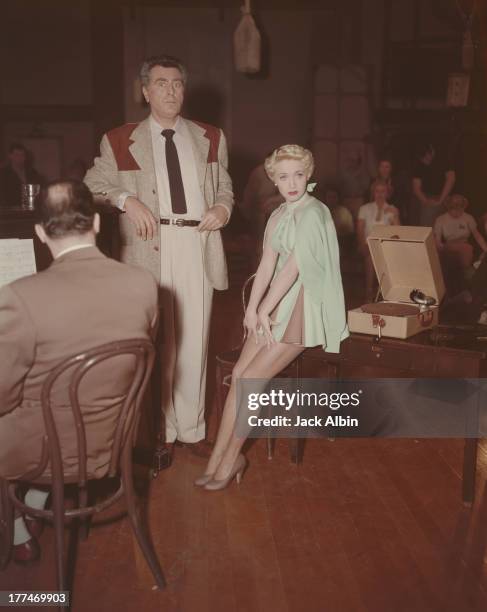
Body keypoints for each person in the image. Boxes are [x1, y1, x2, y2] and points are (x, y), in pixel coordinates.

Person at [84, 55, 234, 462]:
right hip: (147, 245)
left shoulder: (210, 136)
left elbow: (224, 189)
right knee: (154, 343)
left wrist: (222, 209)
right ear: (145, 91)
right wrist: (125, 199)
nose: (170, 91)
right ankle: (157, 433)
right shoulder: (119, 139)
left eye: (177, 84)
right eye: (161, 84)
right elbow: (94, 184)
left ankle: (192, 430)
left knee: (195, 339)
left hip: (196, 242)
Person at [0, 179, 158, 564]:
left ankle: (18, 524)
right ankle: (33, 499)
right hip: (113, 443)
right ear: (98, 225)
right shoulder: (144, 284)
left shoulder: (19, 296)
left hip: (44, 453)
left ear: (39, 233)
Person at [194, 145, 349, 490]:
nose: (291, 183)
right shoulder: (279, 213)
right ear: (273, 180)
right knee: (238, 375)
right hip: (278, 300)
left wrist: (265, 308)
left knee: (251, 381)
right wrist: (251, 309)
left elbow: (294, 268)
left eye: (297, 174)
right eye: (283, 176)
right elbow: (267, 264)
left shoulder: (314, 212)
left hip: (305, 306)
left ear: (309, 175)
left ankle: (233, 457)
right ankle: (218, 457)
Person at [434, 194, 487, 297]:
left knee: (466, 249)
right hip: (448, 249)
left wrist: (486, 249)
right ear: (449, 207)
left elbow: (477, 235)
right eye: (454, 208)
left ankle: (464, 287)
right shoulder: (441, 219)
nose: (457, 211)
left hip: (465, 248)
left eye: (460, 208)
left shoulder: (468, 218)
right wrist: (439, 253)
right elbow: (437, 240)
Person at [357, 179, 400, 301]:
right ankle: (369, 291)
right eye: (377, 191)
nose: (380, 194)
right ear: (373, 193)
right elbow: (360, 229)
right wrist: (362, 245)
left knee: (380, 253)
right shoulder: (364, 208)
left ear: (387, 193)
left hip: (385, 246)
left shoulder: (392, 209)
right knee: (371, 254)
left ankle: (385, 292)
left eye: (383, 191)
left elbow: (398, 233)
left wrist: (395, 216)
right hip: (367, 244)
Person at [411, 142, 455, 227]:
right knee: (427, 228)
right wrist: (426, 201)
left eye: (426, 157)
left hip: (446, 197)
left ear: (431, 151)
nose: (425, 161)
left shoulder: (444, 158)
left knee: (448, 228)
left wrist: (441, 200)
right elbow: (416, 188)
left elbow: (451, 179)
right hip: (428, 197)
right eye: (422, 159)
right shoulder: (418, 164)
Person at [0, 142, 43, 208]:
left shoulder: (32, 172)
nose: (20, 158)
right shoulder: (3, 174)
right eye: (16, 155)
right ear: (10, 156)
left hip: (31, 210)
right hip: (11, 212)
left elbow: (39, 191)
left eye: (22, 155)